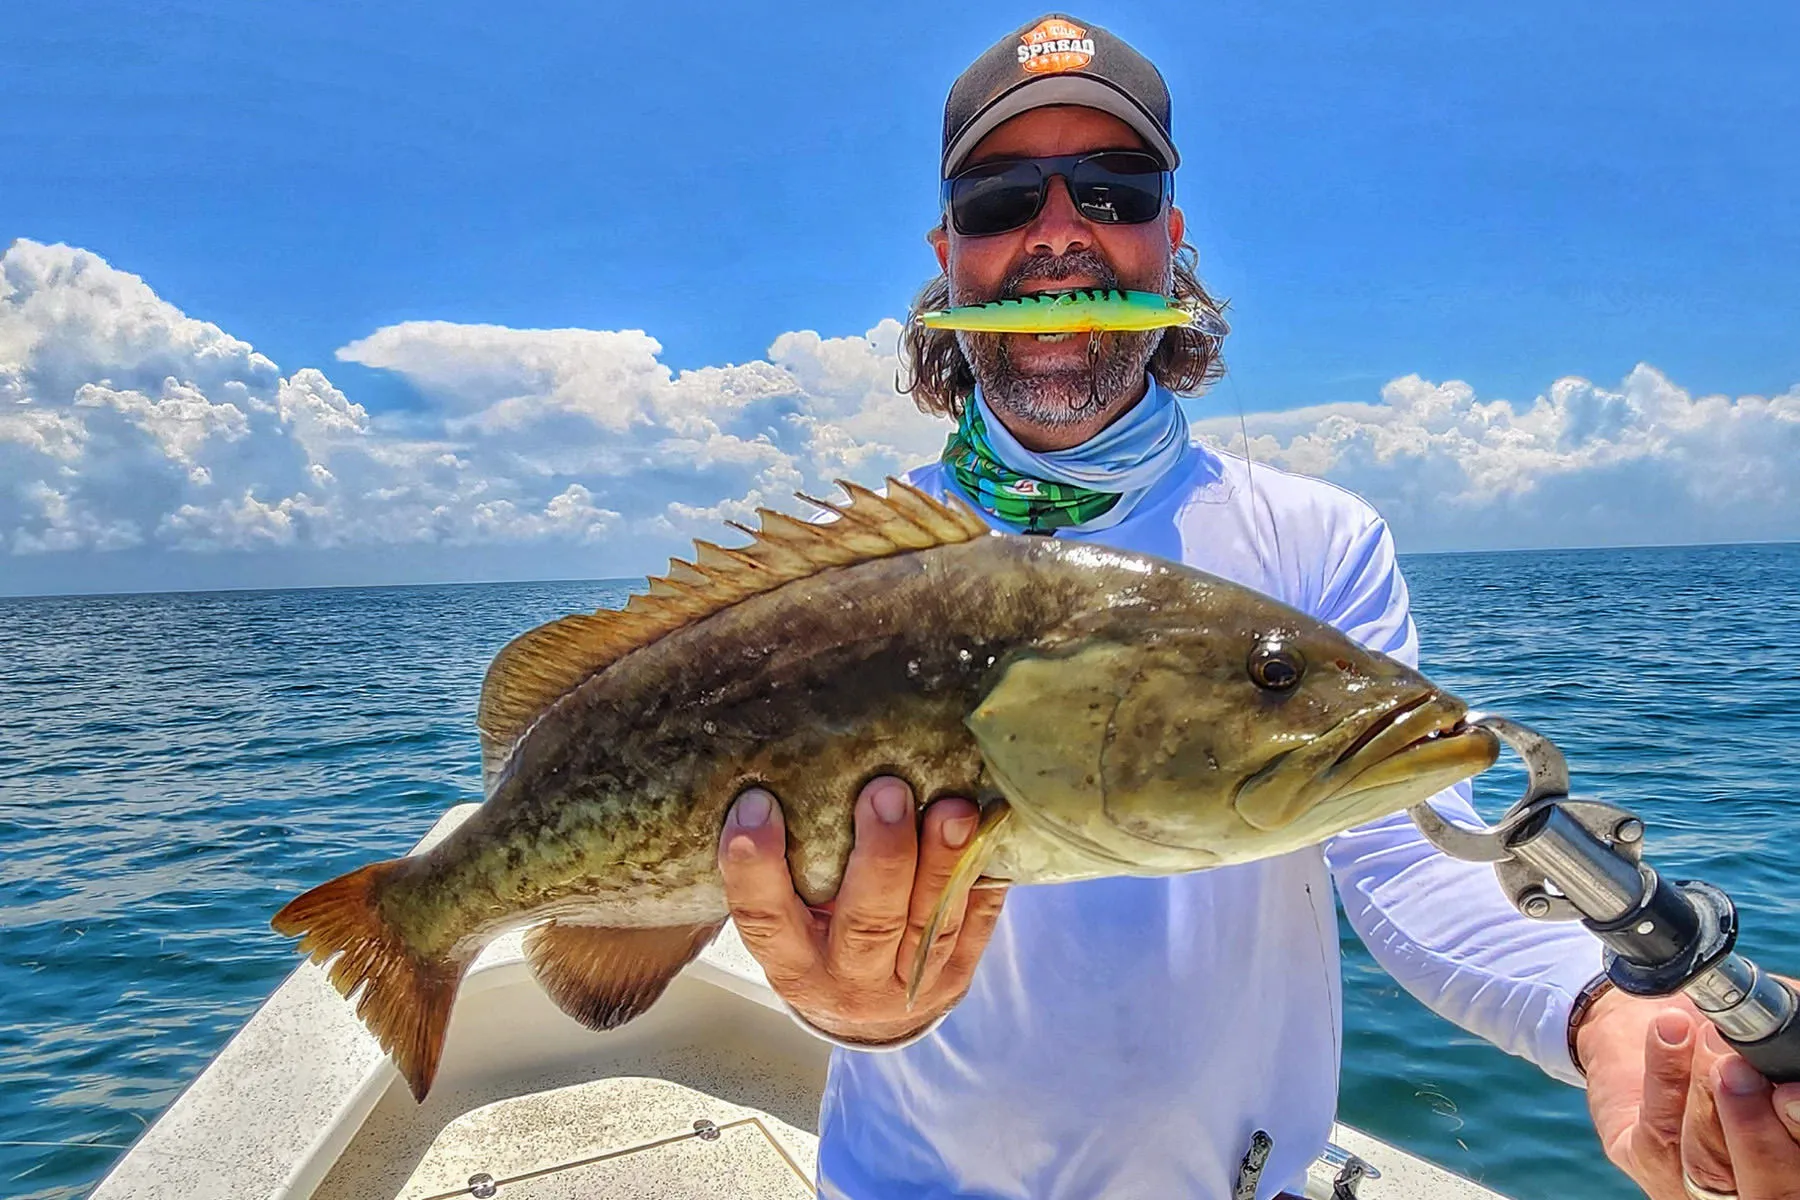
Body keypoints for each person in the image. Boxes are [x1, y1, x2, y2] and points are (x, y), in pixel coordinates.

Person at [713, 15, 1800, 1199]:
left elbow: (1410, 848)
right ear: (950, 253)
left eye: (1115, 192)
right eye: (1002, 198)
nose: (1062, 233)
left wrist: (1602, 1013)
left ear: (1171, 244)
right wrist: (835, 1001)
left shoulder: (1320, 543)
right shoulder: (830, 590)